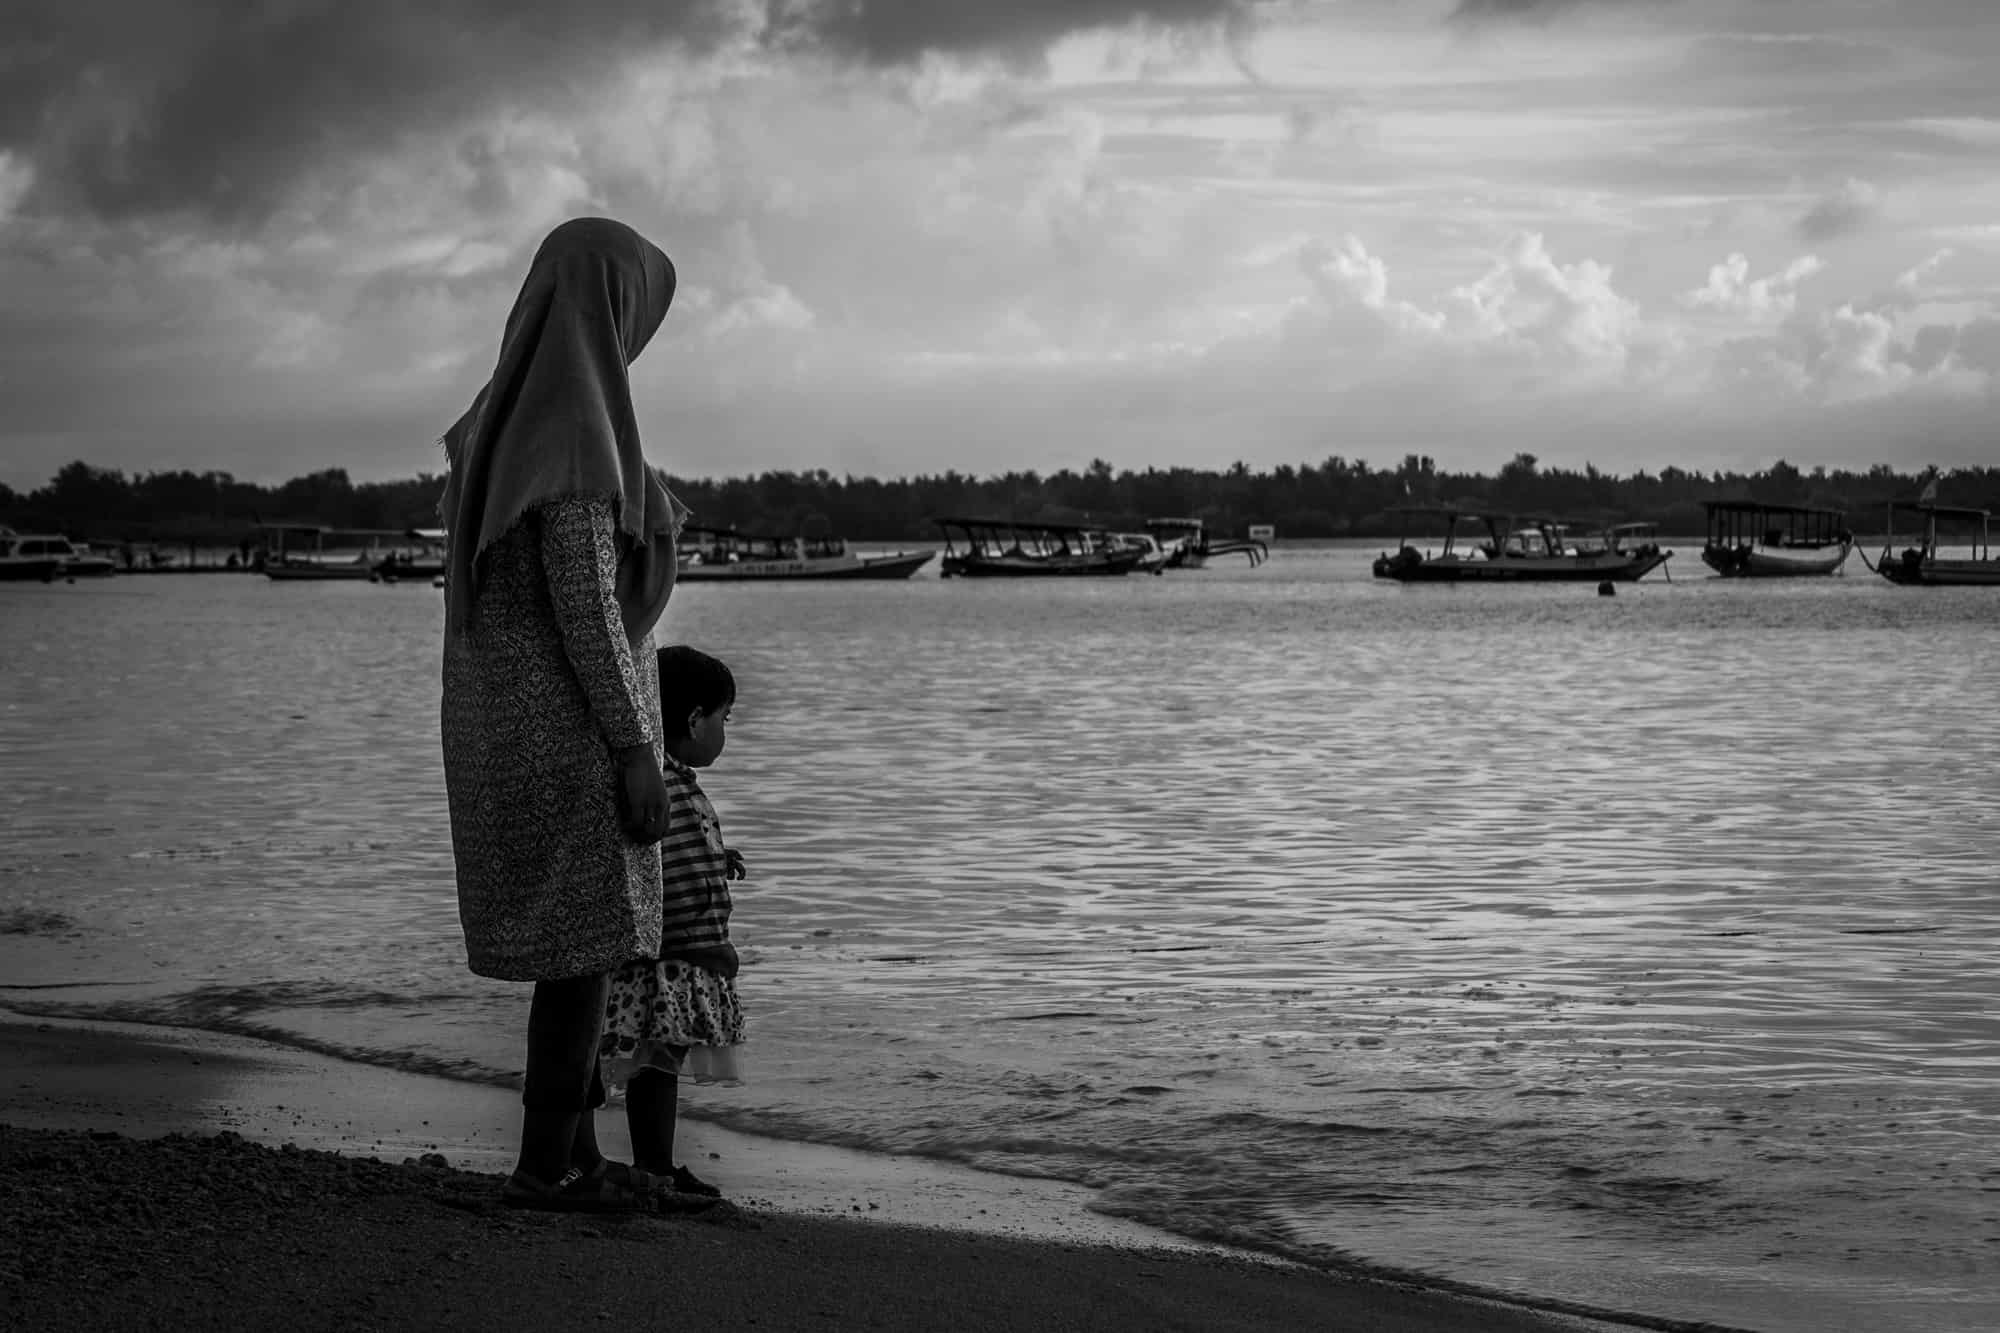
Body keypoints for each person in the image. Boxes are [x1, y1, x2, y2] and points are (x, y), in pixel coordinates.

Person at [437, 217, 687, 1213]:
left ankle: (571, 1148)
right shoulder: (579, 438)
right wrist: (634, 747)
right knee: (582, 957)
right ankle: (552, 1160)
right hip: (573, 728)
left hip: (506, 721)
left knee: (571, 955)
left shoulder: (496, 424)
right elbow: (586, 607)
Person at [600, 644, 748, 1199]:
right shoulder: (659, 782)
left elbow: (676, 850)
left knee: (658, 1058)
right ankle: (654, 1165)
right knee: (656, 1061)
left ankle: (654, 1163)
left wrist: (719, 857)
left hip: (676, 953)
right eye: (723, 718)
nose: (724, 731)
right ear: (693, 719)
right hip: (671, 955)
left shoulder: (668, 778)